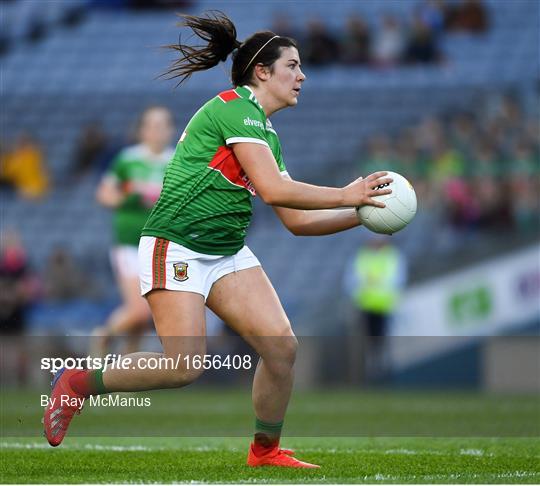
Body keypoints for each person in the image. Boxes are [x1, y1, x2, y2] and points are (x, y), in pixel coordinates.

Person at [43, 11, 393, 468]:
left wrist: (363, 215)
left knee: (282, 348)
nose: (302, 75)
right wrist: (346, 194)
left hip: (224, 251)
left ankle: (264, 450)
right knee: (183, 367)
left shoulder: (265, 132)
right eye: (293, 66)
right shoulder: (234, 108)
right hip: (177, 244)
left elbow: (296, 221)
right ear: (262, 72)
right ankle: (77, 382)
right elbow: (273, 190)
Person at [91, 106, 174, 357]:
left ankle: (126, 372)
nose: (158, 131)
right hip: (129, 243)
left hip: (162, 244)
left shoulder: (177, 160)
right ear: (142, 130)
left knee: (143, 317)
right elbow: (105, 194)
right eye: (152, 125)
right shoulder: (128, 159)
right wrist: (131, 196)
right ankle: (103, 335)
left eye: (163, 125)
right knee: (139, 311)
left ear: (171, 130)